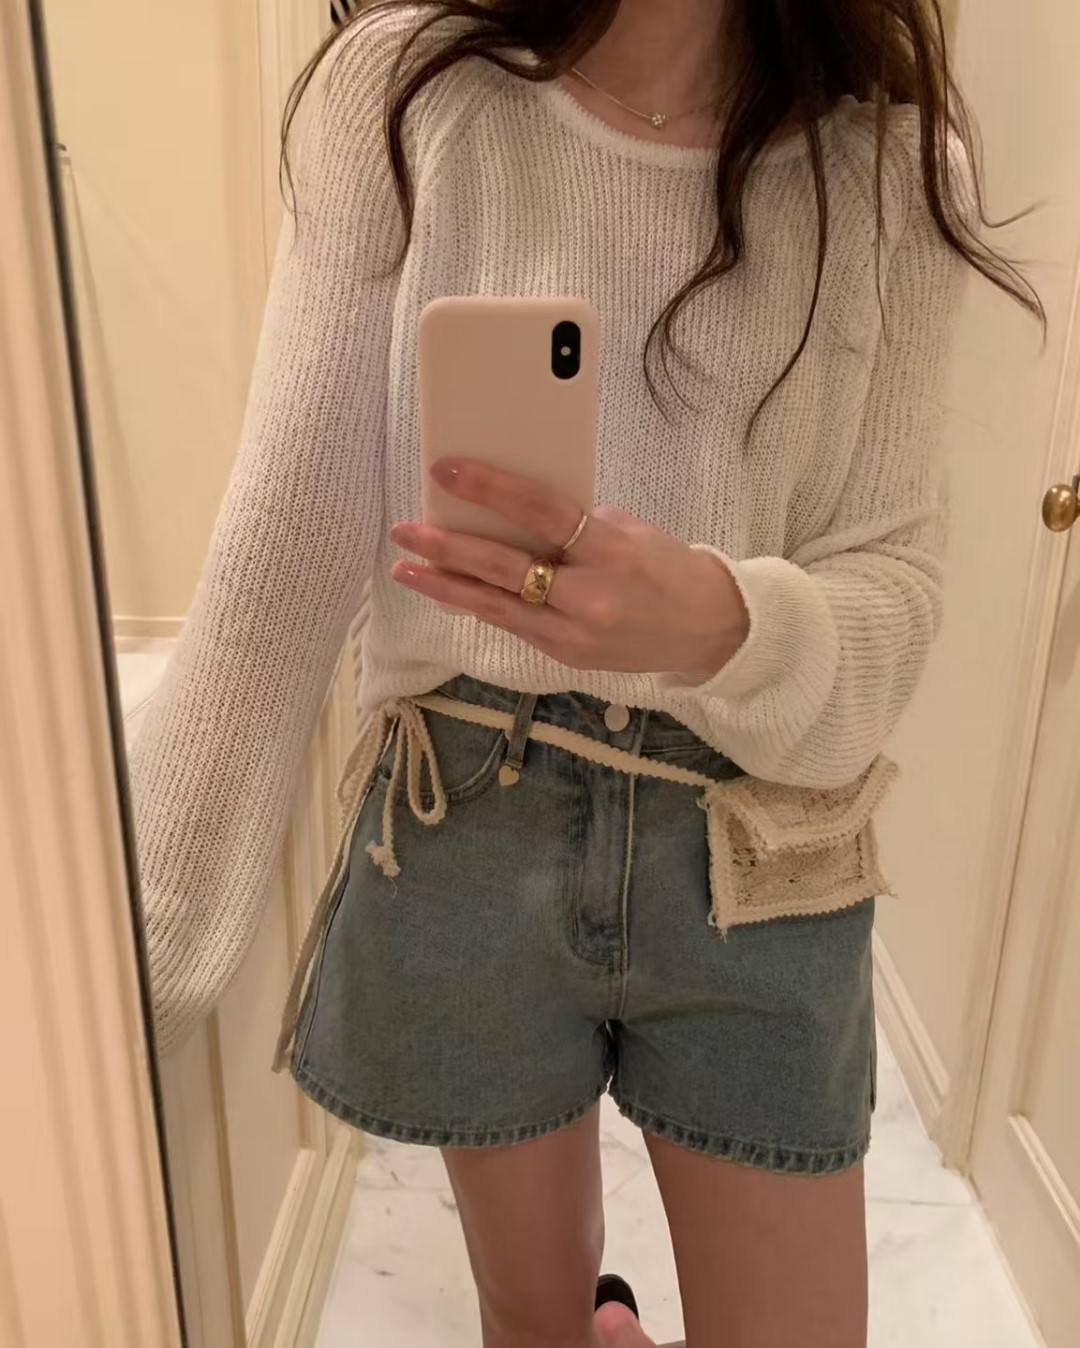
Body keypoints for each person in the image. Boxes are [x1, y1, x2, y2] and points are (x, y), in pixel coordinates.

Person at [127, 1, 1040, 1344]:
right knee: (535, 1319)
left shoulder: (888, 171)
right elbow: (281, 560)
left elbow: (895, 599)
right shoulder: (406, 97)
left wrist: (718, 621)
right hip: (470, 810)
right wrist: (114, 986)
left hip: (758, 843)